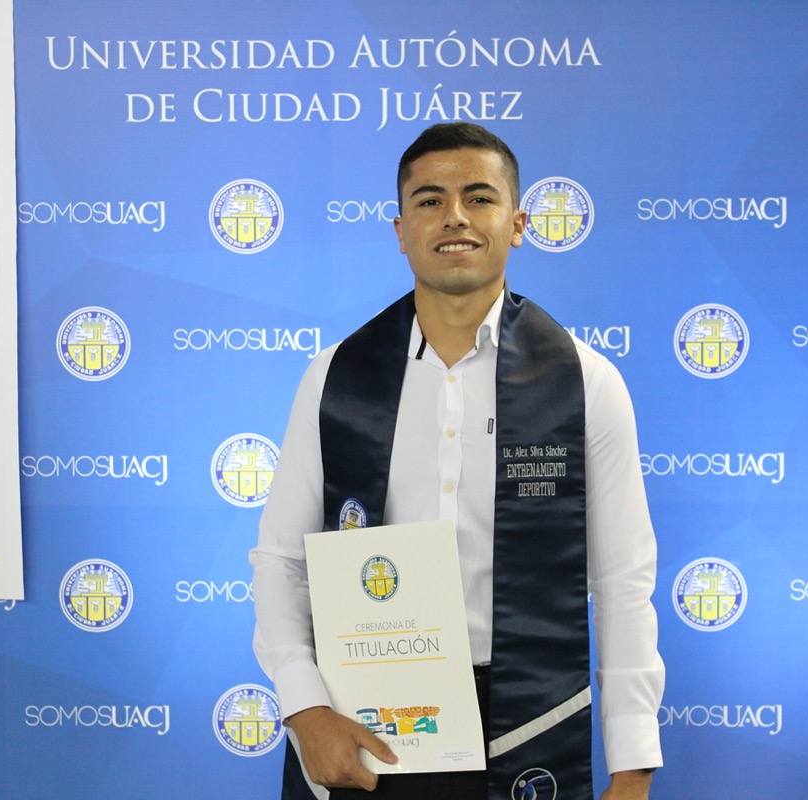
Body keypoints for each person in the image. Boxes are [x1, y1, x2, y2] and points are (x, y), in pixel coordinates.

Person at [250, 122, 663, 800]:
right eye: (429, 200)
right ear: (400, 229)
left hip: (525, 723)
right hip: (360, 721)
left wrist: (633, 768)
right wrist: (304, 708)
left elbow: (622, 583)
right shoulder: (336, 378)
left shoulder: (585, 383)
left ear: (518, 223)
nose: (455, 217)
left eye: (479, 197)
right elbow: (282, 561)